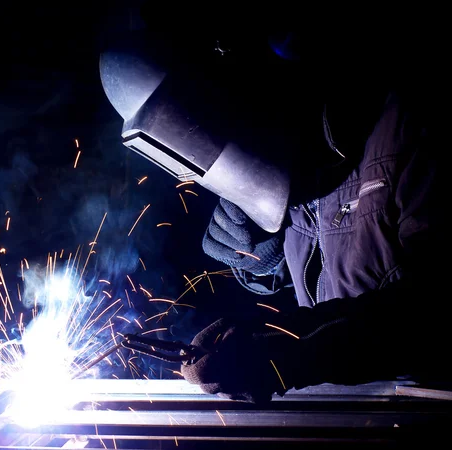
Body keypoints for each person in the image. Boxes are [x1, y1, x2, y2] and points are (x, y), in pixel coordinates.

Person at [100, 30, 444, 404]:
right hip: (351, 409)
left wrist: (291, 350)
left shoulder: (410, 124)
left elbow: (431, 311)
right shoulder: (295, 154)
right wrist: (262, 260)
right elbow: (331, 261)